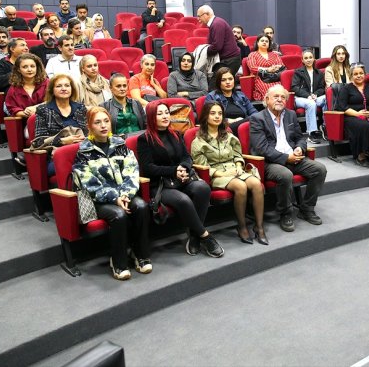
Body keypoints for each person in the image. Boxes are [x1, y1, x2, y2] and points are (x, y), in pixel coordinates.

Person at [137, 100, 224, 258]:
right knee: (184, 200)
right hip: (161, 185)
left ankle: (194, 236)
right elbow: (148, 167)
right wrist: (173, 171)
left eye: (166, 112)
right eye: (160, 113)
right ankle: (205, 236)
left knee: (203, 188)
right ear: (151, 117)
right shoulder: (145, 139)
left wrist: (183, 168)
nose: (165, 116)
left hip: (181, 179)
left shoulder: (175, 134)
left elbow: (187, 157)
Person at [73, 107, 151, 281]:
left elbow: (132, 172)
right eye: (97, 122)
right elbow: (89, 183)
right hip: (100, 200)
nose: (103, 126)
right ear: (89, 126)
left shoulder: (120, 145)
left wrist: (124, 195)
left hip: (124, 194)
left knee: (141, 206)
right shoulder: (84, 152)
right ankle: (118, 263)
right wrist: (114, 198)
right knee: (118, 215)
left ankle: (140, 255)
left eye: (106, 121)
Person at [250, 85, 326, 232]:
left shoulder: (290, 114)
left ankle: (307, 208)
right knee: (285, 175)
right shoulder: (257, 118)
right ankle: (285, 213)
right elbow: (262, 148)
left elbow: (300, 138)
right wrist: (286, 158)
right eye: (276, 96)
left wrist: (299, 148)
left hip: (293, 156)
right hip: (270, 162)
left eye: (283, 97)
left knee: (319, 169)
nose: (280, 99)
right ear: (267, 99)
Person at [191, 101, 267, 245]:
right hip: (217, 176)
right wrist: (223, 174)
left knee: (256, 184)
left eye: (220, 113)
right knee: (240, 186)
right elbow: (203, 167)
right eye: (212, 113)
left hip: (234, 170)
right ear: (205, 116)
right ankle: (242, 226)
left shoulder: (229, 136)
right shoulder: (198, 141)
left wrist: (239, 166)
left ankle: (259, 226)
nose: (217, 116)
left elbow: (238, 156)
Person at [31, 74, 87, 175]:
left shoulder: (80, 108)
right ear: (52, 90)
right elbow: (38, 142)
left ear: (72, 89)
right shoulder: (43, 110)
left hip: (82, 152)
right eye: (59, 86)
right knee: (79, 168)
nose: (64, 89)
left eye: (67, 85)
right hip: (57, 156)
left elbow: (88, 134)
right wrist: (62, 141)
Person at [336, 63, 369, 167]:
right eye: (355, 74)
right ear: (351, 76)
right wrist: (358, 114)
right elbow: (342, 106)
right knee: (364, 126)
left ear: (365, 74)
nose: (358, 75)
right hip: (352, 117)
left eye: (361, 73)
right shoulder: (346, 89)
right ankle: (361, 155)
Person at [291, 48, 327, 143]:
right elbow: (295, 87)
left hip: (314, 97)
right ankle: (312, 133)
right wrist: (308, 96)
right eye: (306, 58)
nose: (308, 60)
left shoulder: (319, 73)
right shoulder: (298, 72)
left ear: (314, 59)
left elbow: (322, 88)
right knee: (311, 104)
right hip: (300, 98)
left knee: (326, 98)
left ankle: (325, 126)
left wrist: (315, 94)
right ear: (302, 60)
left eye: (310, 57)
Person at [205, 67, 257, 132]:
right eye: (223, 80)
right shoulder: (212, 97)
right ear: (218, 82)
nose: (228, 82)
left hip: (244, 129)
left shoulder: (241, 95)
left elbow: (253, 112)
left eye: (230, 79)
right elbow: (208, 117)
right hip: (223, 129)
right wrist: (229, 120)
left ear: (234, 80)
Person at [197, 4, 241, 76]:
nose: (198, 19)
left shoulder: (217, 24)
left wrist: (202, 51)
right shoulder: (216, 23)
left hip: (229, 60)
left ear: (207, 14)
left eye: (199, 16)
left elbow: (217, 46)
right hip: (228, 59)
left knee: (216, 84)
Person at [101, 73, 146, 137]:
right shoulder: (104, 107)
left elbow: (145, 124)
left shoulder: (136, 103)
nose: (122, 89)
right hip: (118, 143)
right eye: (118, 86)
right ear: (111, 88)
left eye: (124, 86)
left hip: (139, 140)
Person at [4, 53, 48, 118]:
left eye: (32, 66)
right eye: (25, 67)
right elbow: (12, 109)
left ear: (37, 67)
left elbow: (54, 101)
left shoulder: (47, 83)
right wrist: (26, 113)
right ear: (18, 69)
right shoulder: (14, 88)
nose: (29, 70)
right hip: (25, 122)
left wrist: (35, 108)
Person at [246, 34, 285, 101]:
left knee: (280, 89)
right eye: (262, 41)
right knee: (269, 90)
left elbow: (281, 66)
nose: (264, 42)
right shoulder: (252, 55)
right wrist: (268, 69)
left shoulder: (274, 54)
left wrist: (275, 69)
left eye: (266, 41)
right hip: (260, 78)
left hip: (275, 77)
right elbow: (253, 68)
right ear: (258, 43)